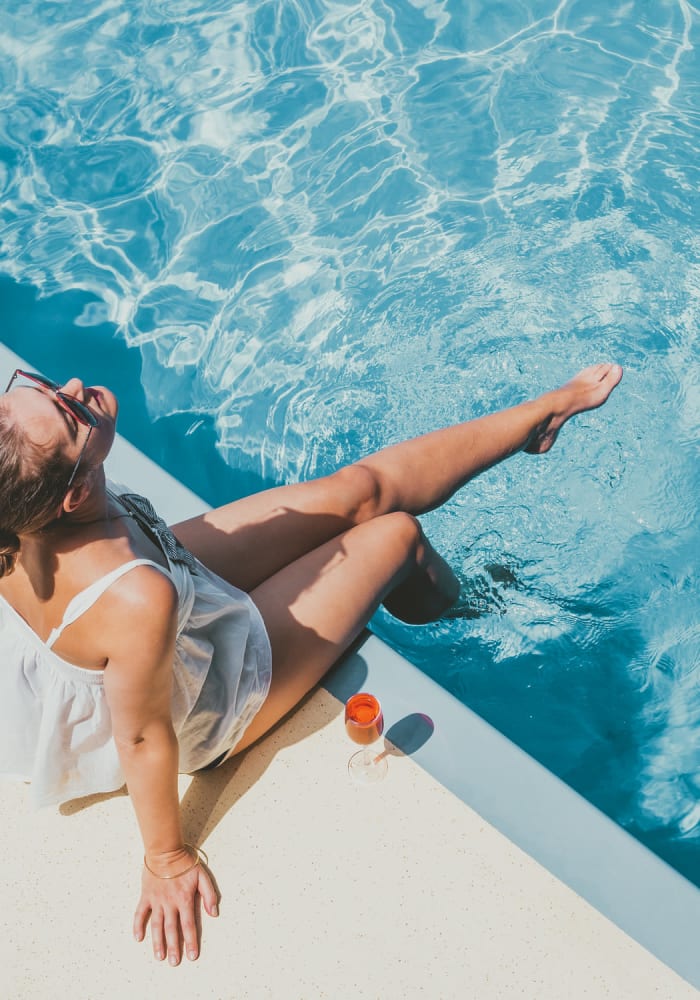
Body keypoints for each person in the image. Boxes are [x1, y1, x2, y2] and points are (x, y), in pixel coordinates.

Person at [0, 361, 622, 965]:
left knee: (360, 492)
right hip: (210, 699)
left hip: (166, 597)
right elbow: (140, 734)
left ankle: (542, 414)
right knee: (396, 533)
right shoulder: (134, 596)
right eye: (69, 411)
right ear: (74, 493)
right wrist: (166, 859)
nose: (75, 387)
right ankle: (468, 618)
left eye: (41, 386)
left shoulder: (27, 504)